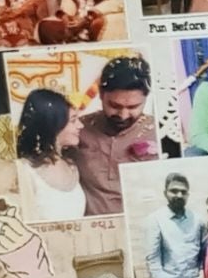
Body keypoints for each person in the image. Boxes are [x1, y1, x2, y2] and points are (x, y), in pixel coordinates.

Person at [74, 54, 157, 215]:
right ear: (101, 94)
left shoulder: (159, 133)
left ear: (146, 99)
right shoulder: (78, 130)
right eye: (114, 105)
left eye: (133, 107)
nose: (123, 115)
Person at [14, 88, 86, 222]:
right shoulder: (24, 170)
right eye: (73, 120)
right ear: (52, 125)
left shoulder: (71, 166)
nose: (80, 125)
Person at [144, 171, 203, 278]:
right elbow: (153, 259)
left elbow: (203, 253)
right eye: (174, 191)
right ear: (165, 193)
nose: (179, 195)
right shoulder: (155, 220)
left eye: (183, 192)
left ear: (188, 195)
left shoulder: (197, 219)